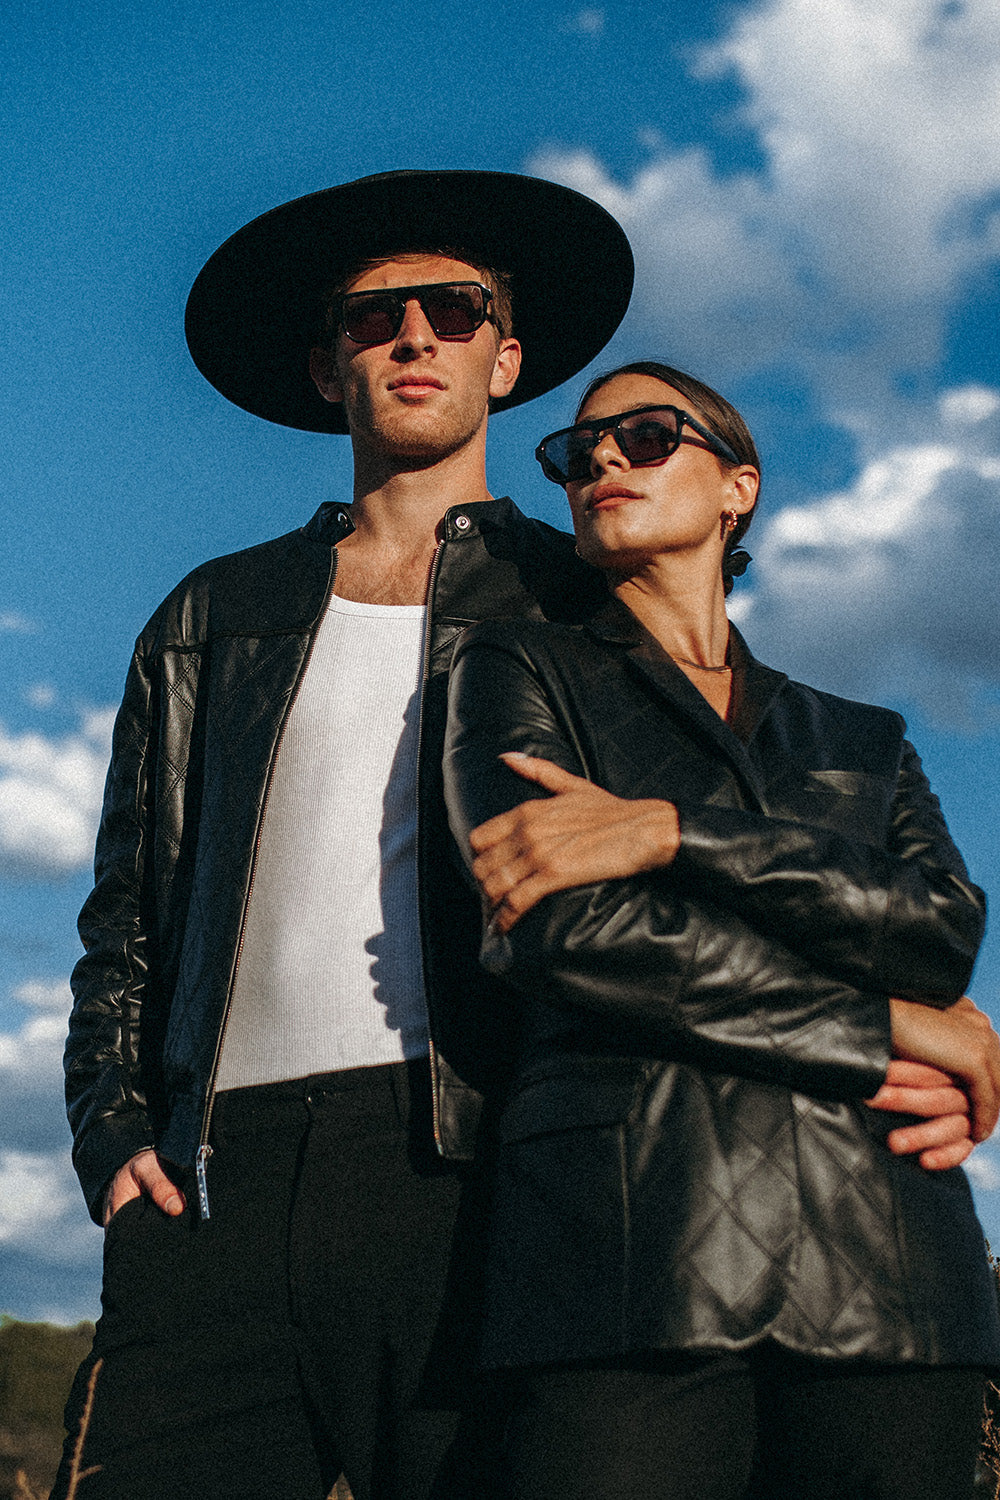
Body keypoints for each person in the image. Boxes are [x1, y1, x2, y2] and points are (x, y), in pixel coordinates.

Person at [54, 169, 635, 1500]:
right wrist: (112, 1135)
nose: (415, 335)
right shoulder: (211, 611)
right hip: (209, 1188)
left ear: (509, 354)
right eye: (377, 318)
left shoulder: (584, 607)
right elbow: (128, 909)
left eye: (453, 307)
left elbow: (713, 841)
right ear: (329, 367)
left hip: (478, 1177)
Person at [443, 360, 1000, 1500]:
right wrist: (876, 1026)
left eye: (645, 436)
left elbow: (936, 932)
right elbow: (566, 930)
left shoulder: (864, 734)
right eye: (573, 450)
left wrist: (667, 834)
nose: (599, 459)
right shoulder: (512, 670)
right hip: (627, 1259)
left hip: (890, 1258)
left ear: (735, 486)